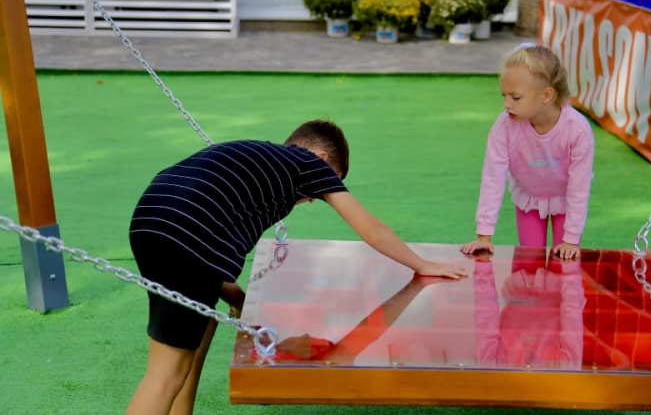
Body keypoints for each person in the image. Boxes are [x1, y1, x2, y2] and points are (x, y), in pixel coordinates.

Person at [125, 119, 467, 415]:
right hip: (188, 230)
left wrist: (241, 299)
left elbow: (202, 268)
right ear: (321, 159)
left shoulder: (261, 164)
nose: (311, 200)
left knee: (192, 342)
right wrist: (421, 264)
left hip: (152, 217)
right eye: (323, 190)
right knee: (165, 372)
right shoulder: (309, 164)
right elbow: (370, 228)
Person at [461, 43, 594, 260]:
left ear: (546, 95)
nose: (506, 104)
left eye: (515, 97)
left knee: (566, 263)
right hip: (529, 200)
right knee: (529, 261)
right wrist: (483, 235)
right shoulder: (504, 127)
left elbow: (579, 187)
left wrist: (570, 238)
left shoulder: (577, 129)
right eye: (503, 95)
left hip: (566, 202)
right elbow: (492, 179)